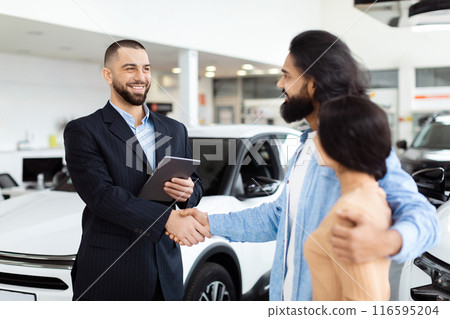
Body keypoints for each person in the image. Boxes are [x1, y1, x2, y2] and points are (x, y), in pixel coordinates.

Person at [169, 30, 440, 301]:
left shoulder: (353, 145)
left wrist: (386, 241)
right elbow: (278, 218)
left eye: (287, 75)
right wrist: (208, 222)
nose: (279, 83)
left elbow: (423, 217)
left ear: (313, 84)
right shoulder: (305, 145)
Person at [64, 39, 210, 301]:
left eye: (146, 68)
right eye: (130, 68)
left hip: (166, 270)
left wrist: (189, 191)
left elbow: (196, 185)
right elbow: (101, 196)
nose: (141, 77)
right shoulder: (84, 130)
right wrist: (167, 219)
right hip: (111, 270)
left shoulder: (175, 129)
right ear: (108, 75)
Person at [304, 96, 392, 301]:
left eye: (321, 132)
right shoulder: (373, 194)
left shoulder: (351, 213)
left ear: (340, 143)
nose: (315, 139)